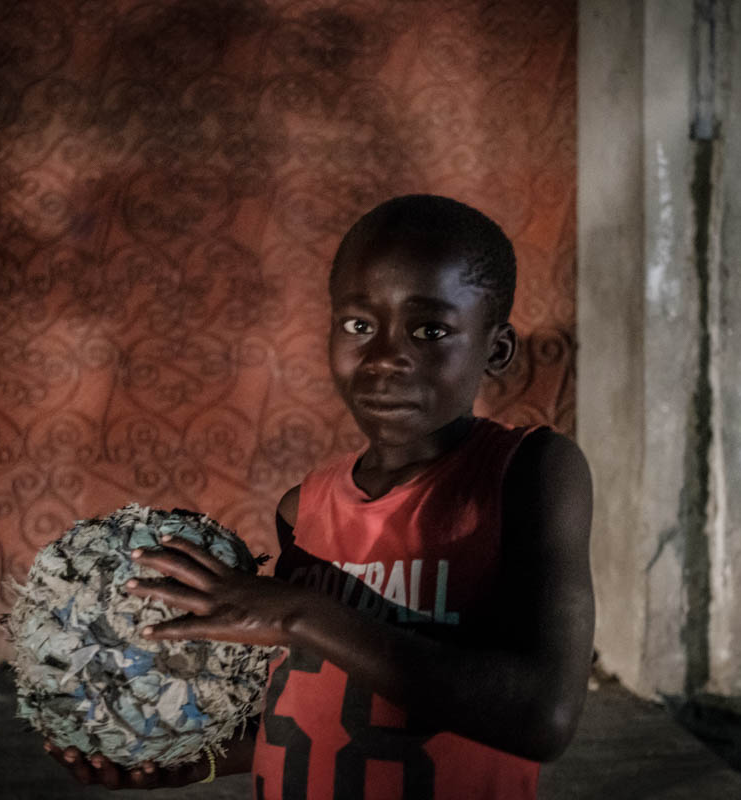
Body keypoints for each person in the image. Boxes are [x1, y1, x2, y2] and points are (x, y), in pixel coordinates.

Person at [46, 194, 595, 798]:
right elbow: (319, 711)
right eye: (359, 325)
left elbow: (544, 719)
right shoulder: (302, 508)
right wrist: (190, 761)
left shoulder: (528, 472)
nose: (386, 357)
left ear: (495, 350)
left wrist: (293, 612)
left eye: (430, 329)